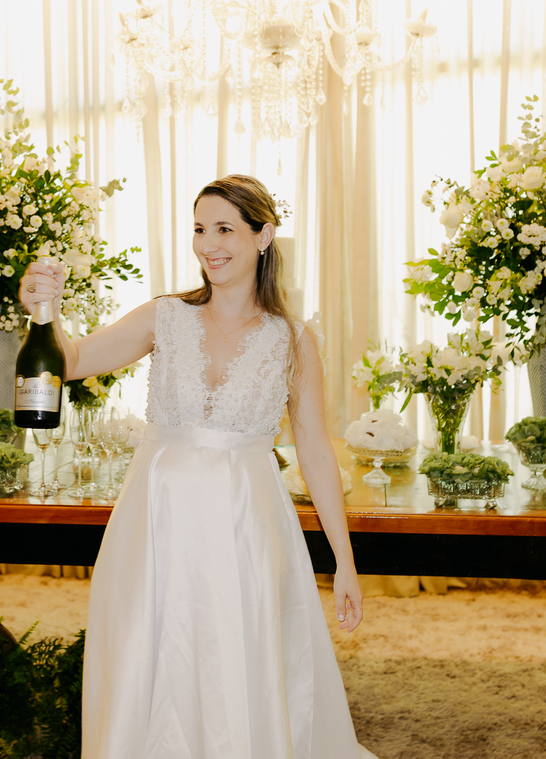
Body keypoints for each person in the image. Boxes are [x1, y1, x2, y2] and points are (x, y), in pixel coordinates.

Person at [20, 175, 379, 758]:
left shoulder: (293, 340)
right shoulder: (164, 316)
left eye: (225, 229)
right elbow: (73, 360)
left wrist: (345, 560)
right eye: (199, 229)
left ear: (263, 237)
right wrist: (44, 312)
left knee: (237, 655)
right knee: (148, 651)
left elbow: (315, 451)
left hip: (245, 526)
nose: (209, 244)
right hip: (155, 519)